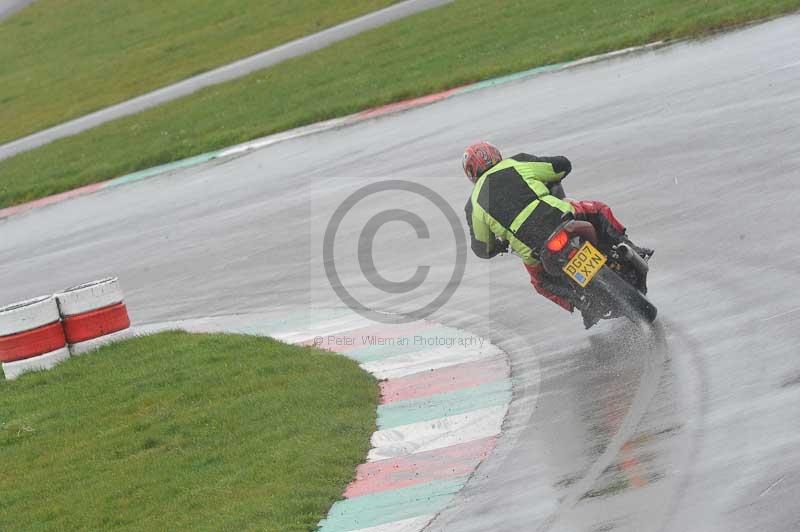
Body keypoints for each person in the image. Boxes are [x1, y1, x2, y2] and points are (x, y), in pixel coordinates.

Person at [462, 141, 651, 328]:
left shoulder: (474, 204)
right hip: (562, 217)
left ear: (471, 172)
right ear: (495, 154)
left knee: (540, 283)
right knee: (599, 210)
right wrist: (552, 177)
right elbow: (561, 165)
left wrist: (497, 246)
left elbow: (481, 247)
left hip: (534, 249)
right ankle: (628, 247)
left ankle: (582, 303)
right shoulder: (516, 163)